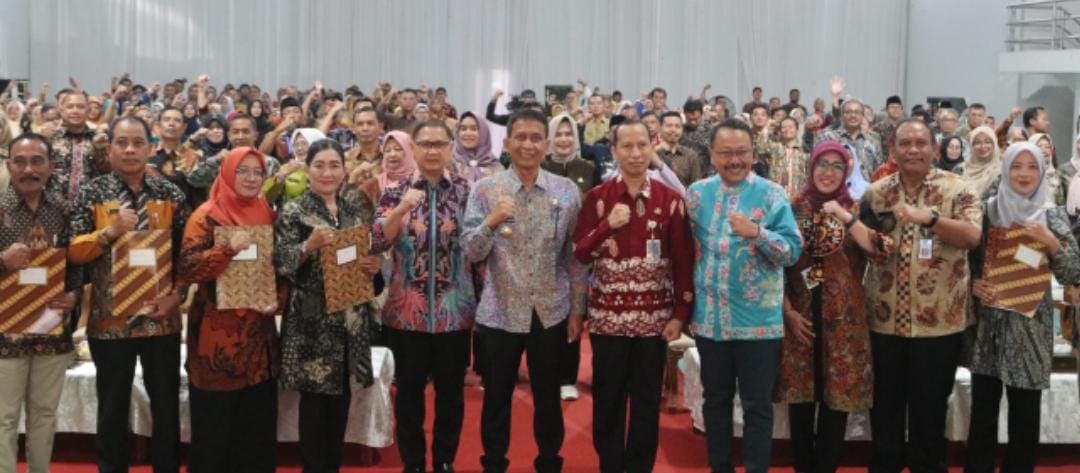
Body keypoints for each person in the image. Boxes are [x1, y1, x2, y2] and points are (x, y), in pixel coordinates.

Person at [462, 109, 587, 473]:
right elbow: (471, 251)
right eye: (520, 137)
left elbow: (575, 257)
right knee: (496, 398)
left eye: (535, 138)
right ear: (507, 143)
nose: (528, 145)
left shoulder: (566, 191)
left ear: (546, 145)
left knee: (548, 398)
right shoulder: (486, 190)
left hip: (551, 310)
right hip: (500, 310)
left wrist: (577, 309)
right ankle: (493, 464)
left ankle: (549, 462)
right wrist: (491, 221)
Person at [67, 116, 189, 473]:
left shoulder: (170, 194)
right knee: (112, 406)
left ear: (150, 148)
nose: (130, 150)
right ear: (110, 149)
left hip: (160, 318)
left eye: (138, 142)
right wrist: (110, 231)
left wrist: (177, 296)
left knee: (166, 405)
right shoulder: (92, 192)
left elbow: (188, 255)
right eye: (122, 142)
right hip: (110, 321)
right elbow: (73, 252)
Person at [859, 119, 982, 473]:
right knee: (884, 406)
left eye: (920, 143)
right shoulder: (875, 193)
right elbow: (863, 245)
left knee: (930, 409)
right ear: (892, 150)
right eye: (905, 143)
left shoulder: (959, 188)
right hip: (884, 321)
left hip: (939, 323)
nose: (913, 150)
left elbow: (972, 236)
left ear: (935, 149)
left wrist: (930, 219)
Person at [572, 120, 693, 472]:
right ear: (614, 152)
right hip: (607, 321)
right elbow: (580, 253)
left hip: (654, 323)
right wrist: (607, 225)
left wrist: (680, 315)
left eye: (642, 145)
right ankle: (610, 465)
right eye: (627, 146)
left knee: (645, 403)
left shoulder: (671, 201)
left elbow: (683, 261)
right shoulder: (597, 199)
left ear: (652, 148)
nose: (636, 153)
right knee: (607, 401)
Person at [686, 118, 802, 473]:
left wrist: (758, 233)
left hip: (758, 323)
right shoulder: (696, 195)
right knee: (715, 401)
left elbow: (792, 252)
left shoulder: (772, 195)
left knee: (757, 406)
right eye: (726, 153)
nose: (735, 160)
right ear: (711, 155)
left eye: (742, 152)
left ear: (753, 153)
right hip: (710, 320)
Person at [775, 142, 891, 473]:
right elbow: (774, 265)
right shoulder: (791, 207)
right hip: (799, 318)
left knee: (835, 403)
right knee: (801, 401)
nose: (828, 172)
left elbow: (881, 250)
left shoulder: (854, 207)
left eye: (837, 166)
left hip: (843, 321)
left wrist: (846, 217)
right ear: (811, 168)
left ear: (847, 172)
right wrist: (787, 311)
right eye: (822, 164)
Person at [965, 142, 1080, 473]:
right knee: (982, 415)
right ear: (1005, 169)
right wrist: (972, 283)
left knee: (1025, 419)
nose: (1024, 174)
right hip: (989, 328)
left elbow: (1073, 272)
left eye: (1032, 167)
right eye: (1017, 166)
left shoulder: (1051, 214)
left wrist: (1051, 242)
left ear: (1042, 172)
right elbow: (963, 261)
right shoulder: (987, 212)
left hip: (1030, 330)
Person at [371, 120, 476, 473]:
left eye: (439, 144)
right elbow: (377, 241)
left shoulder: (466, 191)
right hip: (405, 312)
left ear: (450, 148)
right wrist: (402, 208)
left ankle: (445, 459)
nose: (432, 150)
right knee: (408, 394)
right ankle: (413, 462)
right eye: (425, 144)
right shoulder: (394, 190)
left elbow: (478, 246)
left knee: (451, 394)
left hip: (454, 312)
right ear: (413, 148)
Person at [273, 138, 381, 473]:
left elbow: (365, 264)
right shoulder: (293, 210)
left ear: (345, 170)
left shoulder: (354, 210)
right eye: (319, 165)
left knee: (340, 402)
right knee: (314, 404)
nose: (327, 172)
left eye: (334, 165)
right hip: (311, 324)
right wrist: (307, 246)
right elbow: (280, 264)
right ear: (307, 171)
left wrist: (373, 268)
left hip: (349, 321)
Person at [178, 147, 281, 472]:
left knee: (255, 434)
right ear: (226, 172)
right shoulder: (206, 216)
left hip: (259, 341)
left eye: (258, 172)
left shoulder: (267, 214)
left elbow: (278, 268)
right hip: (217, 343)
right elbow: (188, 269)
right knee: (214, 432)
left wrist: (279, 298)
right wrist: (226, 249)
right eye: (242, 171)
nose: (251, 178)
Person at [0, 134, 81, 473]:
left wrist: (74, 294)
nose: (28, 169)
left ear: (51, 167)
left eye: (37, 161)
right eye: (20, 161)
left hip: (51, 328)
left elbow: (77, 261)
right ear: (8, 166)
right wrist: (2, 261)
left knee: (45, 414)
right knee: (4, 417)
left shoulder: (65, 209)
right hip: (4, 333)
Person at [538, 112, 599, 401]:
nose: (563, 140)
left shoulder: (588, 168)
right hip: (542, 254)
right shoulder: (540, 167)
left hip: (577, 254)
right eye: (558, 134)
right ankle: (543, 374)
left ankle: (567, 377)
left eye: (568, 134)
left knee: (573, 313)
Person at [50, 89, 110, 199]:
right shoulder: (50, 138)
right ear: (62, 111)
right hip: (54, 204)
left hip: (89, 203)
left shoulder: (98, 138)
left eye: (80, 107)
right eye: (70, 107)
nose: (75, 111)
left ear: (88, 111)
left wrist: (100, 150)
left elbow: (107, 172)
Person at [263, 128, 325, 208]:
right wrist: (281, 176)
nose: (299, 148)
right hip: (288, 214)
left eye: (304, 144)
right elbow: (266, 198)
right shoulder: (286, 168)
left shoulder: (326, 170)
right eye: (296, 144)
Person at [451, 112, 501, 184]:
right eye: (463, 129)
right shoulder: (448, 163)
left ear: (484, 133)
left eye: (473, 129)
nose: (468, 133)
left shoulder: (495, 167)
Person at [656, 111, 703, 188]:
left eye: (677, 126)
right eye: (669, 125)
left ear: (682, 129)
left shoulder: (690, 155)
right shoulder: (653, 153)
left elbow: (697, 186)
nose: (673, 130)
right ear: (660, 128)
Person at [770, 116, 810, 198]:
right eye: (784, 127)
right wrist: (769, 124)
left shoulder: (804, 152)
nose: (787, 129)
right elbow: (761, 147)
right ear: (780, 131)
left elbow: (808, 176)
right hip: (776, 198)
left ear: (797, 130)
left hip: (797, 198)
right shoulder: (774, 148)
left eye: (791, 127)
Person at [962, 126, 1003, 196]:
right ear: (972, 146)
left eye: (987, 142)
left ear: (994, 144)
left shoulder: (1002, 172)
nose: (983, 146)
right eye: (978, 143)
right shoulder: (961, 169)